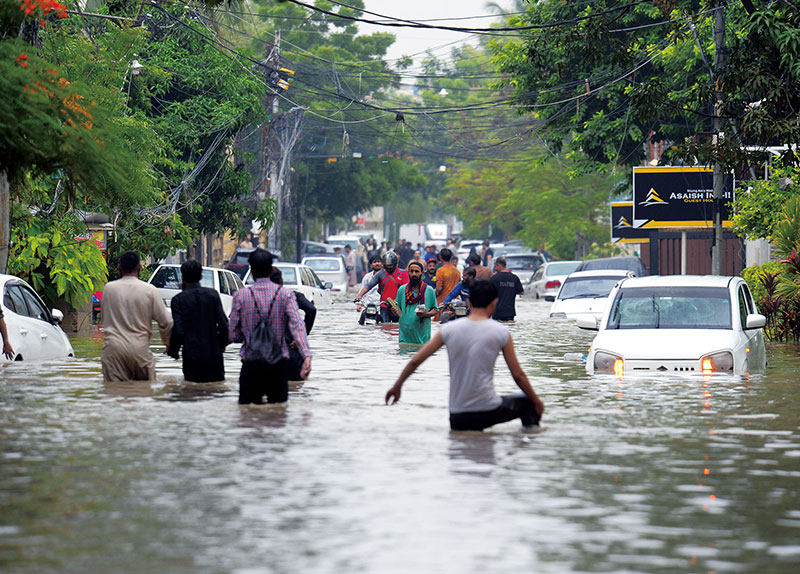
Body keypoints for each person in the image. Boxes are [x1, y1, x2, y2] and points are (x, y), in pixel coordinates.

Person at [385, 280, 545, 431]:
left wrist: (397, 386)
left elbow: (415, 361)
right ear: (494, 303)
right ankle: (527, 445)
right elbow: (518, 376)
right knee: (528, 404)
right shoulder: (501, 332)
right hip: (487, 410)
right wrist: (537, 401)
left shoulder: (448, 330)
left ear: (468, 303)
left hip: (457, 415)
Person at [229, 249, 311, 404]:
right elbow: (297, 327)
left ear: (251, 270)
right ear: (272, 269)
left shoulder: (241, 295)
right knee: (278, 416)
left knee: (247, 417)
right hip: (277, 365)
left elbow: (233, 334)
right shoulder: (286, 295)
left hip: (250, 364)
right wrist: (306, 355)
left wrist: (248, 337)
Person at [101, 251, 173, 382]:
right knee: (143, 394)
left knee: (114, 395)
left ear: (119, 268)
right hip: (140, 349)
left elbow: (104, 319)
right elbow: (166, 322)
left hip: (113, 349)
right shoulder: (149, 290)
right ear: (139, 267)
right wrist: (168, 346)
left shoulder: (109, 289)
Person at [167, 259, 229, 383]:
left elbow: (178, 331)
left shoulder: (178, 300)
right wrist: (221, 346)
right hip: (214, 356)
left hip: (192, 356)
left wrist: (173, 351)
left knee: (191, 393)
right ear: (201, 276)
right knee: (216, 392)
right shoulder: (213, 295)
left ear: (183, 277)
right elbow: (224, 326)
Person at [270, 268, 316, 381]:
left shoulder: (252, 297)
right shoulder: (292, 295)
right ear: (281, 281)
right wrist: (304, 335)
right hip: (291, 349)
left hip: (265, 353)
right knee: (294, 390)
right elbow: (311, 309)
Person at [353, 251, 409, 323]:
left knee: (398, 327)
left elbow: (405, 290)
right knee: (384, 327)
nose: (388, 267)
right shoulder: (380, 273)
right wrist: (359, 296)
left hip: (399, 307)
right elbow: (369, 285)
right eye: (387, 265)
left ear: (395, 264)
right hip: (384, 306)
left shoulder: (403, 274)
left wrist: (395, 302)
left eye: (390, 265)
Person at [396, 261, 438, 344]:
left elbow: (435, 310)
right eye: (411, 271)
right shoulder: (402, 290)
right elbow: (398, 311)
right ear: (408, 272)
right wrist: (393, 309)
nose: (414, 274)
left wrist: (426, 314)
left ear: (422, 273)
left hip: (422, 340)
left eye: (417, 272)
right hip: (404, 339)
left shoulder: (429, 290)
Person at [490, 257, 524, 322]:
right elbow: (521, 292)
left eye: (495, 266)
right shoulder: (514, 278)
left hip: (497, 311)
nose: (495, 268)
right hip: (510, 312)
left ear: (498, 265)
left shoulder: (494, 279)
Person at [357, 255, 383, 325]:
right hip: (368, 306)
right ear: (371, 265)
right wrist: (359, 304)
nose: (377, 264)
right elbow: (362, 290)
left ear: (382, 264)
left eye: (378, 262)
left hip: (381, 306)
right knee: (362, 323)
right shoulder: (367, 277)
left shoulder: (385, 276)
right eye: (374, 262)